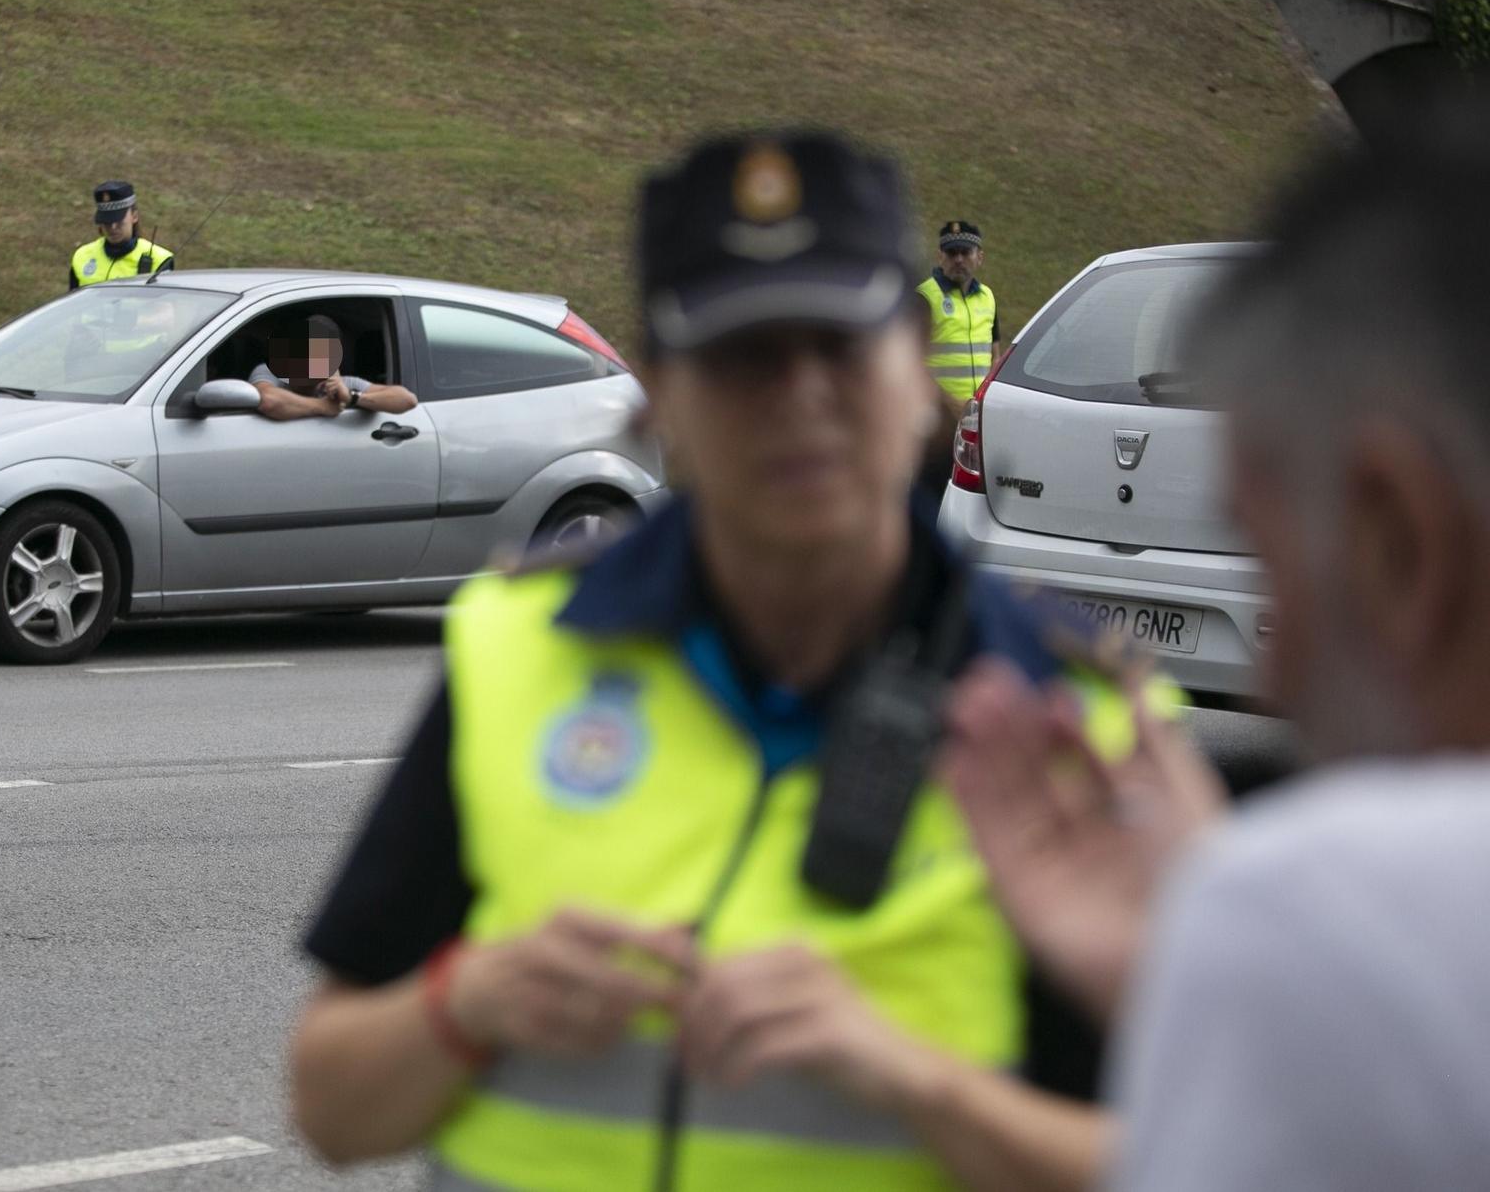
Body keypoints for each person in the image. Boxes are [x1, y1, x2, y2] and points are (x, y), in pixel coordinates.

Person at [288, 131, 1167, 1192]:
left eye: (838, 345)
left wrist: (915, 1081)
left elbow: (1192, 1161)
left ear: (915, 378)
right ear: (656, 396)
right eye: (744, 355)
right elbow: (328, 1109)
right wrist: (464, 1002)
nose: (798, 394)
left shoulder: (1066, 709)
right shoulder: (517, 647)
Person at [940, 89, 1490, 1191]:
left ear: (1397, 533)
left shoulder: (1320, 907)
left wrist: (1217, 946)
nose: (1275, 666)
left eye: (1268, 545)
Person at [248, 313, 418, 421]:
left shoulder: (341, 384)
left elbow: (407, 400)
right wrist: (323, 407)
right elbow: (268, 401)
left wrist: (352, 398)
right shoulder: (270, 371)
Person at [916, 221, 998, 419]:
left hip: (978, 413)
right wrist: (946, 403)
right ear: (940, 256)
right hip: (937, 415)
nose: (959, 259)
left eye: (966, 252)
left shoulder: (987, 297)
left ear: (980, 257)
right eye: (952, 253)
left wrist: (986, 397)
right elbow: (910, 362)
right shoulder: (924, 297)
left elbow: (994, 354)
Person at [68, 180, 174, 289]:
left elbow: (164, 305)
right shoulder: (82, 256)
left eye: (119, 220)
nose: (113, 227)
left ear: (134, 216)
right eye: (107, 220)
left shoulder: (159, 259)